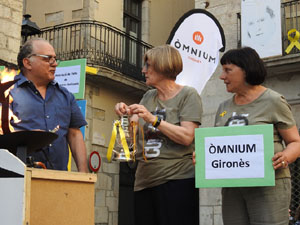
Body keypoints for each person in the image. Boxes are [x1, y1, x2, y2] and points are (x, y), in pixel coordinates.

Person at [115, 44, 202, 225]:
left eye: (148, 65)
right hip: (144, 181)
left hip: (177, 180)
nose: (143, 70)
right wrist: (126, 117)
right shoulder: (148, 97)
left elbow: (187, 136)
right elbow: (132, 143)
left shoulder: (188, 95)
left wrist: (153, 119)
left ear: (163, 66)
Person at [215, 47, 300, 225]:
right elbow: (217, 144)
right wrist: (203, 157)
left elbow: (295, 142)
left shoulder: (274, 101)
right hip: (233, 188)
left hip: (269, 185)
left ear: (246, 70)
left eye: (228, 70)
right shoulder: (223, 108)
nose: (222, 77)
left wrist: (285, 157)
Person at [11, 38, 88, 172]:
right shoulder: (8, 93)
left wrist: (84, 173)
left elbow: (75, 134)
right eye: (48, 59)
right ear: (27, 63)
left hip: (58, 179)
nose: (54, 64)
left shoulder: (65, 95)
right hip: (18, 179)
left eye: (55, 59)